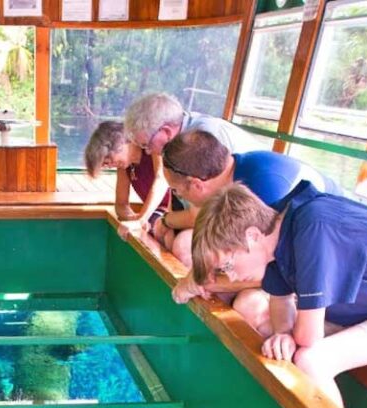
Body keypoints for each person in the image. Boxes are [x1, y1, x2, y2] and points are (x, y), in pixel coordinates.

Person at [190, 182, 367, 407]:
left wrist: (290, 336)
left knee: (312, 361)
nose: (230, 278)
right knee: (271, 333)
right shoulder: (277, 231)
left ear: (252, 236)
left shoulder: (314, 227)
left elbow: (309, 337)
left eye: (227, 266)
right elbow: (281, 300)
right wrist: (282, 332)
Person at [163, 130, 340, 334]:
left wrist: (204, 283)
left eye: (176, 190)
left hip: (327, 280)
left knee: (248, 307)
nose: (177, 196)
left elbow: (279, 270)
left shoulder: (265, 187)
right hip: (291, 264)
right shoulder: (231, 177)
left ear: (196, 184)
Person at [123, 92, 264, 252]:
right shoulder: (177, 143)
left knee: (183, 245)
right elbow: (177, 194)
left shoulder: (203, 138)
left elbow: (203, 214)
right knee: (168, 237)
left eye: (146, 145)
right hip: (222, 212)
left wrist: (165, 221)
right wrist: (166, 222)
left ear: (166, 132)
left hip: (249, 218)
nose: (148, 152)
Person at [84, 121, 172, 238]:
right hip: (159, 212)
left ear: (121, 143)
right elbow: (121, 205)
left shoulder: (152, 147)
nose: (111, 165)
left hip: (177, 208)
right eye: (106, 164)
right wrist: (133, 218)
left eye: (109, 159)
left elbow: (161, 179)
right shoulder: (125, 167)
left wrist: (141, 219)